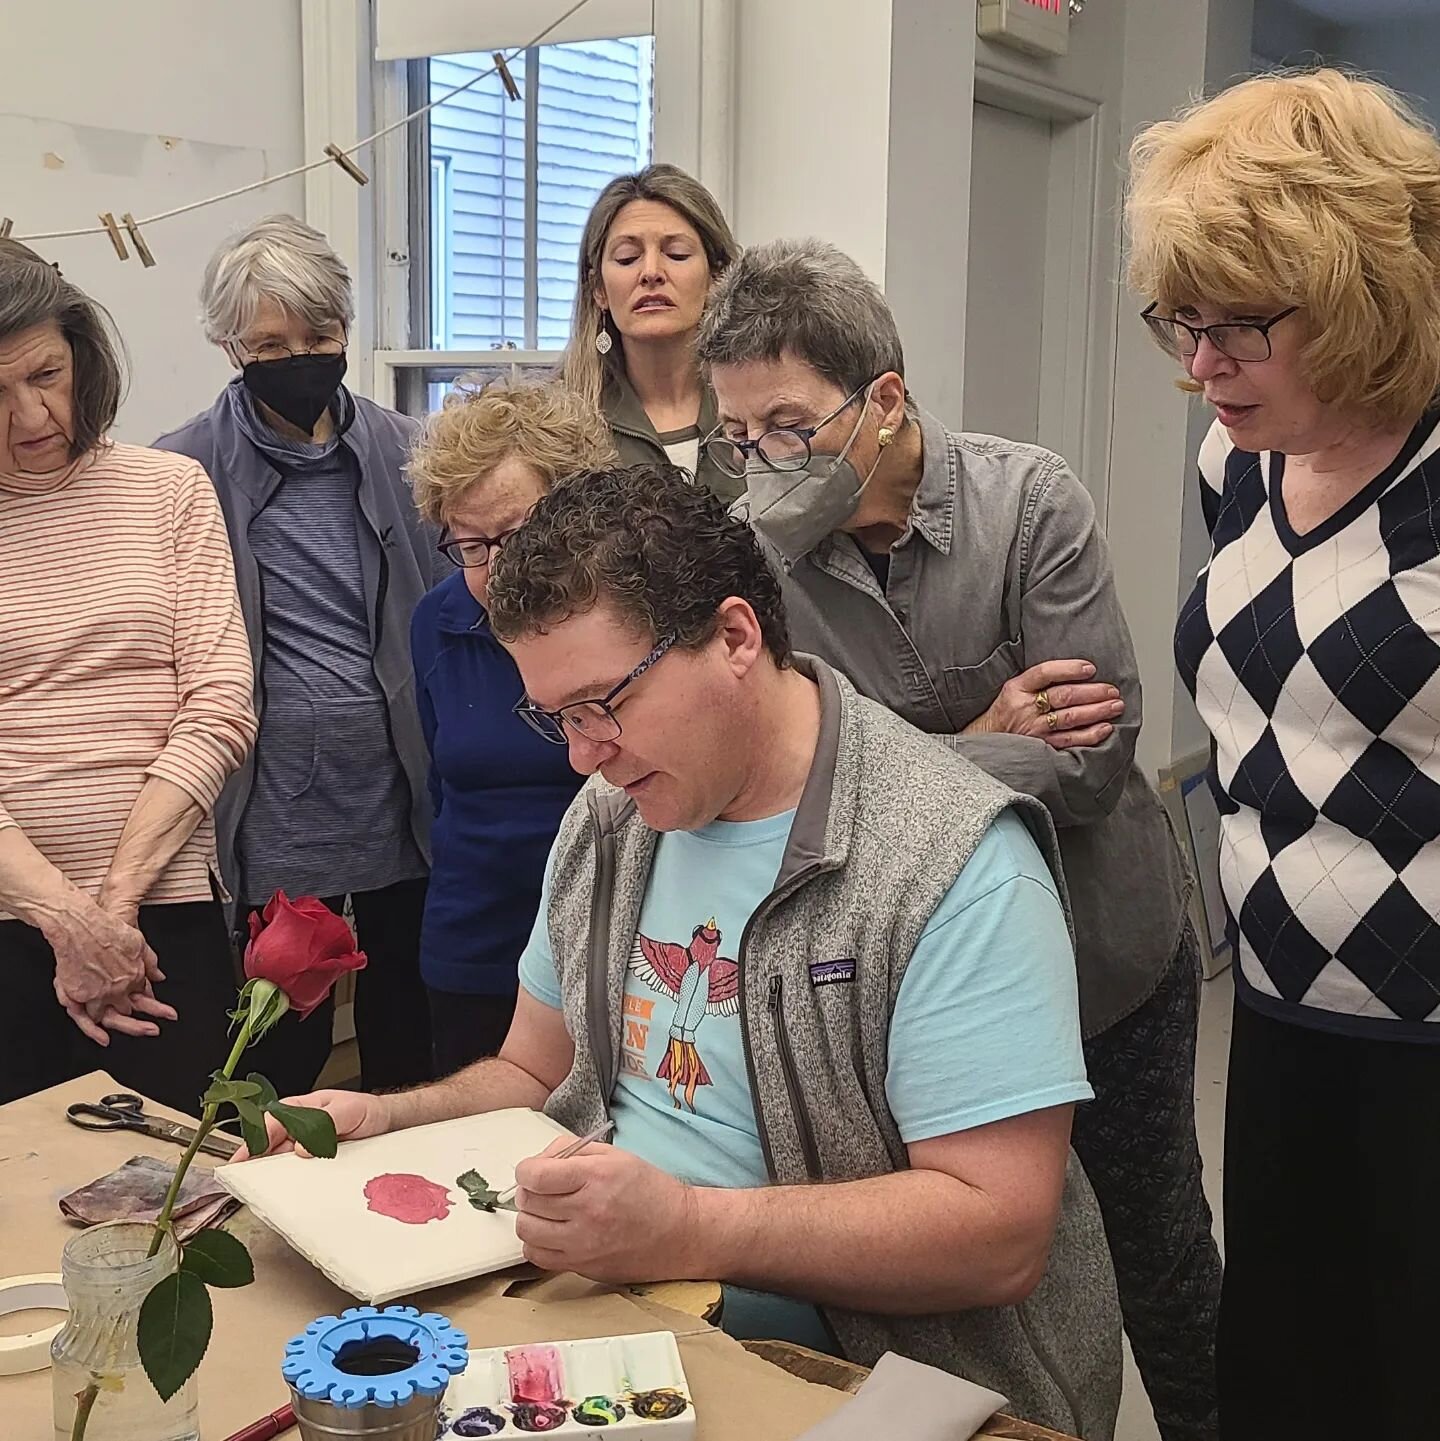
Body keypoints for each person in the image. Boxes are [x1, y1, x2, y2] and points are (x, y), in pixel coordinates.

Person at [249, 463, 1123, 1439]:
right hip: (626, 1295)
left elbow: (997, 1235)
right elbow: (532, 1072)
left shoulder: (951, 861)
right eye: (558, 716)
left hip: (864, 1364)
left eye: (604, 703)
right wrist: (382, 1116)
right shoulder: (613, 815)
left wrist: (688, 1226)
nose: (582, 752)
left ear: (736, 637)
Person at [696, 239, 1219, 1441]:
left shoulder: (1027, 502)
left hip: (1104, 963)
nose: (762, 464)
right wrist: (985, 729)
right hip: (916, 985)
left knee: (1160, 1259)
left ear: (883, 400)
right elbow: (796, 784)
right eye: (738, 435)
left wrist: (887, 757)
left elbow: (1090, 762)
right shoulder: (761, 559)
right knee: (965, 1286)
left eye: (787, 425)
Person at [1127, 69, 1440, 1438]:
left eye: (1240, 326)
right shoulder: (1234, 457)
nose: (1201, 367)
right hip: (1278, 1011)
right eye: (1179, 325)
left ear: (1364, 294)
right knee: (1289, 1371)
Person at [154, 215, 442, 1095]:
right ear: (228, 343)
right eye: (270, 342)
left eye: (320, 335)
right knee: (274, 1063)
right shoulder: (183, 468)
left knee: (409, 1049)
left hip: (407, 808)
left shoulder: (411, 452)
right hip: (274, 823)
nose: (301, 355)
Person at [0, 240, 256, 1109]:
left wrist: (111, 912)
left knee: (183, 1195)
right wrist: (66, 919)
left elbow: (220, 705)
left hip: (161, 919)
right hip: (9, 925)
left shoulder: (169, 490)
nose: (31, 415)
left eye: (46, 374)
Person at [407, 380, 613, 1075]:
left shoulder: (624, 619)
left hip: (604, 943)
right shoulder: (436, 622)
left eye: (518, 535)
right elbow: (441, 779)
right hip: (473, 945)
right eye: (470, 544)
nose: (498, 569)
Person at [557, 164, 741, 502]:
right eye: (627, 259)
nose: (651, 272)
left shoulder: (759, 408)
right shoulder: (554, 422)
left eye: (676, 254)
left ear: (717, 277)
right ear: (598, 288)